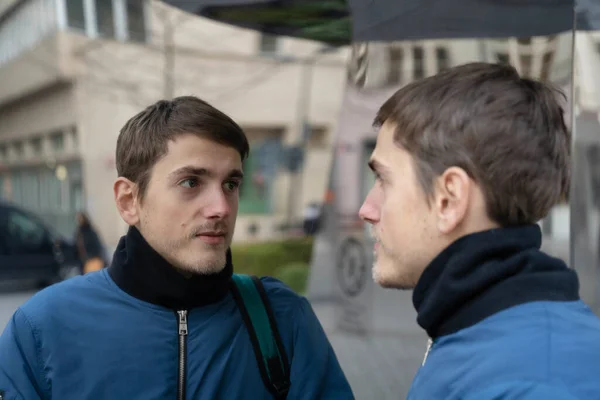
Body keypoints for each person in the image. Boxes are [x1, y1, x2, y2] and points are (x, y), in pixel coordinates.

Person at [0, 96, 353, 399]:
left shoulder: (281, 317)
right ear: (129, 201)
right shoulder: (42, 327)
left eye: (231, 183)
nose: (222, 207)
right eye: (191, 182)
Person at [359, 62, 600, 399]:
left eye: (383, 179)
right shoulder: (480, 327)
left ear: (449, 199)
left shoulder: (531, 383)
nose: (366, 210)